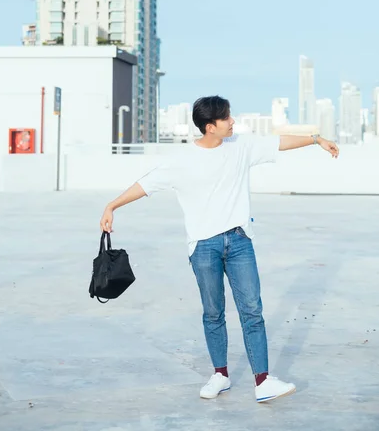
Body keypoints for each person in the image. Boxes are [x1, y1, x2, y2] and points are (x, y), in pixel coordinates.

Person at [100, 96, 339, 403]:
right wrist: (112, 205)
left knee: (252, 311)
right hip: (203, 247)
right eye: (227, 118)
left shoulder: (241, 146)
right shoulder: (181, 160)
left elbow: (278, 142)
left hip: (239, 241)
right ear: (210, 127)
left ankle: (263, 381)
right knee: (213, 314)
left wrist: (317, 139)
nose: (233, 121)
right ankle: (220, 375)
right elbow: (146, 184)